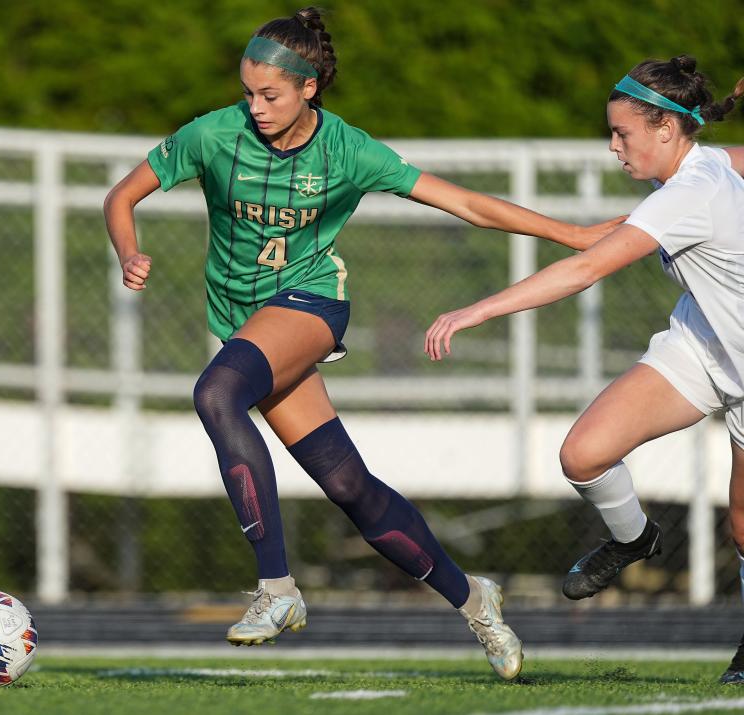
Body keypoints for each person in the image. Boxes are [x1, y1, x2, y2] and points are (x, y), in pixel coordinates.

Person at [103, 7, 620, 681]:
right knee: (348, 484)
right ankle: (475, 598)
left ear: (310, 87)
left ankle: (276, 590)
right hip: (246, 321)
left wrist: (575, 235)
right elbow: (122, 195)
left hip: (313, 303)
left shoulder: (347, 151)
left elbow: (466, 203)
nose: (254, 106)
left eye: (271, 95)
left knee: (216, 391)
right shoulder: (213, 134)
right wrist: (128, 251)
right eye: (249, 91)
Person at [423, 55, 744, 682]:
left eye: (623, 134)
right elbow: (730, 161)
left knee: (743, 525)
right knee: (584, 454)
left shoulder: (690, 190)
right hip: (703, 340)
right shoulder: (702, 161)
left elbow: (586, 268)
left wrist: (478, 310)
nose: (613, 146)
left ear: (666, 129)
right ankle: (635, 541)